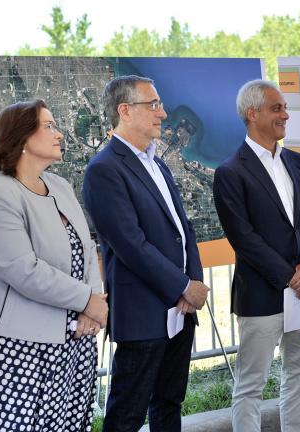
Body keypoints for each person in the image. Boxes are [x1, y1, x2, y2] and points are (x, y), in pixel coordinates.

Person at [0, 99, 108, 431]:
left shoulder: (60, 186)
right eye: (49, 126)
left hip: (74, 337)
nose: (58, 134)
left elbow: (86, 248)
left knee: (71, 423)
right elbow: (22, 269)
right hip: (17, 346)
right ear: (22, 138)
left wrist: (93, 305)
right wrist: (87, 301)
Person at [82, 75, 209, 432]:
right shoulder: (104, 169)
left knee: (169, 405)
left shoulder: (157, 164)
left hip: (180, 310)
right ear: (125, 111)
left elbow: (183, 229)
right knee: (127, 416)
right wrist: (183, 286)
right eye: (153, 105)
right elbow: (131, 245)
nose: (163, 113)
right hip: (144, 315)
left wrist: (193, 282)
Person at [213, 79, 300, 432]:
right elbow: (243, 238)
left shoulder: (298, 163)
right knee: (250, 386)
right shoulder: (230, 172)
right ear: (253, 113)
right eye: (277, 108)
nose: (285, 115)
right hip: (262, 295)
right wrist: (288, 275)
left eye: (284, 108)